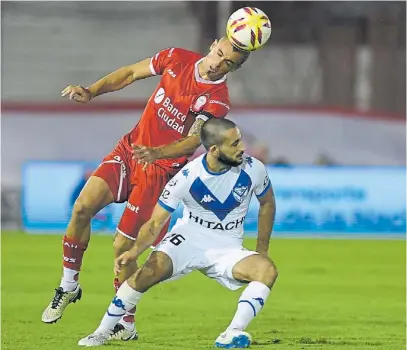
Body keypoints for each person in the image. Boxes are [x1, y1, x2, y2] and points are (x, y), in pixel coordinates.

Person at [41, 37, 251, 343]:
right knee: (82, 208)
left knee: (122, 249)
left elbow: (195, 140)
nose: (218, 64)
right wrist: (91, 91)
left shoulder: (217, 99)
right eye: (219, 54)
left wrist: (159, 153)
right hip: (130, 149)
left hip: (159, 170)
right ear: (214, 44)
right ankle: (69, 285)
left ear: (236, 67)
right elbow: (129, 73)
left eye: (228, 63)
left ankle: (125, 322)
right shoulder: (176, 58)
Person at [78, 118, 278, 348]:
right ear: (214, 150)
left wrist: (262, 249)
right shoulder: (186, 177)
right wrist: (134, 251)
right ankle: (101, 332)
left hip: (228, 247)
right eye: (234, 144)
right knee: (148, 272)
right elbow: (155, 223)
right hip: (188, 239)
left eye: (240, 141)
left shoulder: (254, 169)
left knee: (267, 271)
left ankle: (232, 333)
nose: (242, 148)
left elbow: (268, 204)